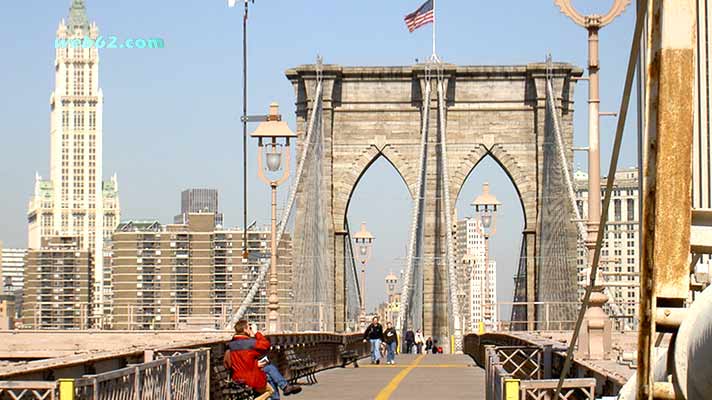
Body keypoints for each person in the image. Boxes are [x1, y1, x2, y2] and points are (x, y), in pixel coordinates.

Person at [225, 320, 302, 399]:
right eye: (249, 327)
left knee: (269, 372)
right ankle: (284, 387)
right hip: (250, 377)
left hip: (237, 377)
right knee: (269, 373)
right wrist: (256, 333)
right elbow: (266, 345)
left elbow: (241, 361)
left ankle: (284, 388)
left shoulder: (231, 344)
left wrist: (255, 364)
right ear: (245, 330)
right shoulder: (250, 343)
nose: (250, 329)